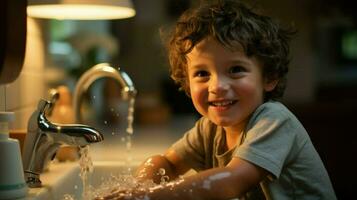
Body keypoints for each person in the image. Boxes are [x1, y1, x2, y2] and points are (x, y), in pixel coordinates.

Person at [97, 0, 336, 199]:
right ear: (187, 83)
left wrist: (150, 196)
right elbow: (168, 163)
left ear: (269, 77)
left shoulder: (274, 121)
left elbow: (231, 181)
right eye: (202, 74)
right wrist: (139, 187)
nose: (218, 86)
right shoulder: (208, 129)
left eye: (235, 70)